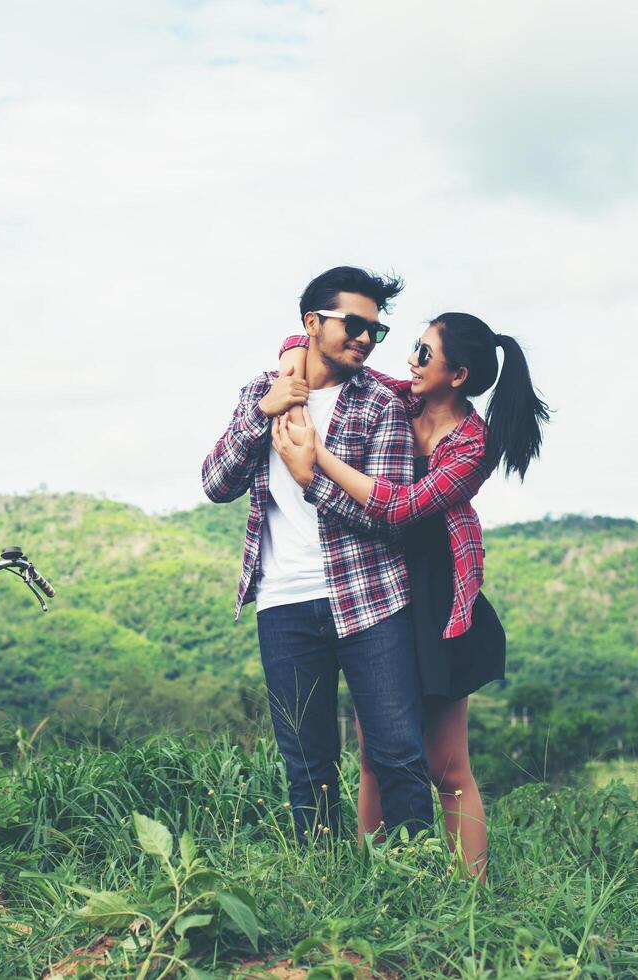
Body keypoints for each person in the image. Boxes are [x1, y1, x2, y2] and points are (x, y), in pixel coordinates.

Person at [270, 312, 548, 879]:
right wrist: (286, 374)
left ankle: (469, 894)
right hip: (379, 580)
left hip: (437, 596)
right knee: (375, 754)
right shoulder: (400, 399)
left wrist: (314, 461)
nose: (409, 362)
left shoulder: (473, 444)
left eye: (424, 354)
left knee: (446, 766)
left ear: (458, 374)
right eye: (413, 350)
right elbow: (302, 341)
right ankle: (376, 879)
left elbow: (402, 506)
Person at [200, 266, 434, 846]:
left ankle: (420, 887)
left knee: (398, 752)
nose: (364, 338)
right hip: (282, 601)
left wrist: (312, 478)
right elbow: (215, 483)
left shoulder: (382, 404)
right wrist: (261, 414)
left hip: (370, 599)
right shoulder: (263, 391)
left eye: (375, 331)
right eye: (353, 324)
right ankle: (322, 887)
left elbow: (389, 513)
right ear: (312, 322)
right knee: (306, 763)